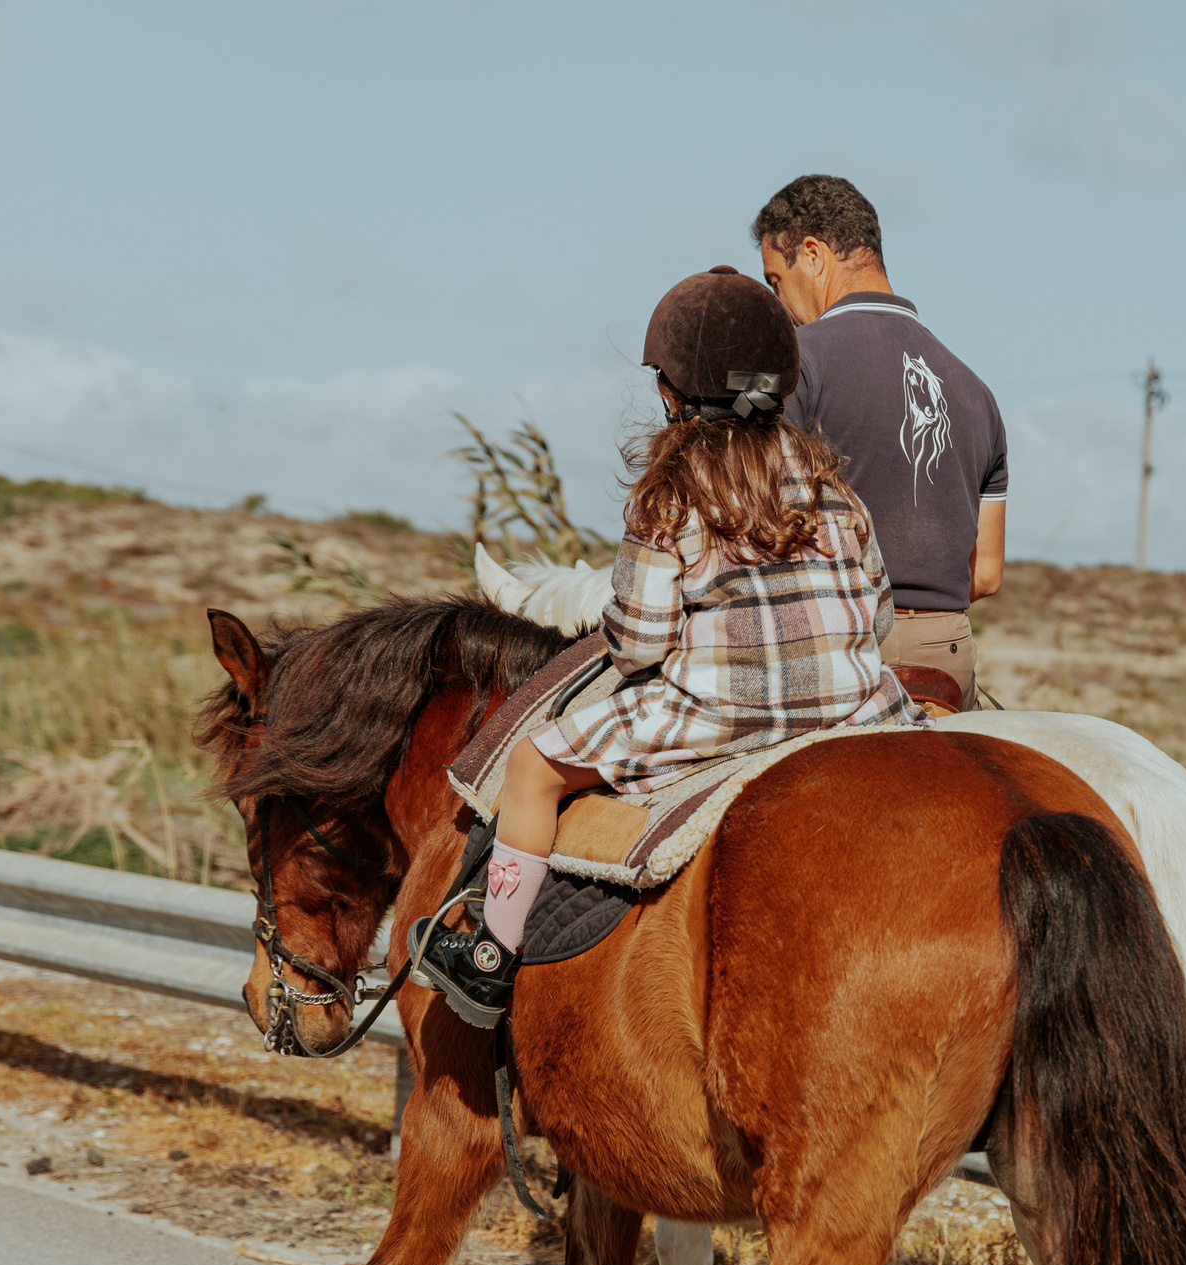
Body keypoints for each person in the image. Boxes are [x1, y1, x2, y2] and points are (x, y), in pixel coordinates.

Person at [414, 264, 925, 1027]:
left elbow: (638, 644)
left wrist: (621, 626)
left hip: (716, 715)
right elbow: (878, 612)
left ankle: (491, 955)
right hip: (854, 706)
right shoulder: (831, 486)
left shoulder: (670, 492)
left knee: (532, 764)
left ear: (670, 391)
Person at [753, 175, 1007, 711]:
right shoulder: (977, 393)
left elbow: (759, 528)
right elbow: (984, 575)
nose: (779, 305)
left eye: (775, 281)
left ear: (814, 255)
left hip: (847, 652)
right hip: (949, 655)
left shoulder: (797, 360)